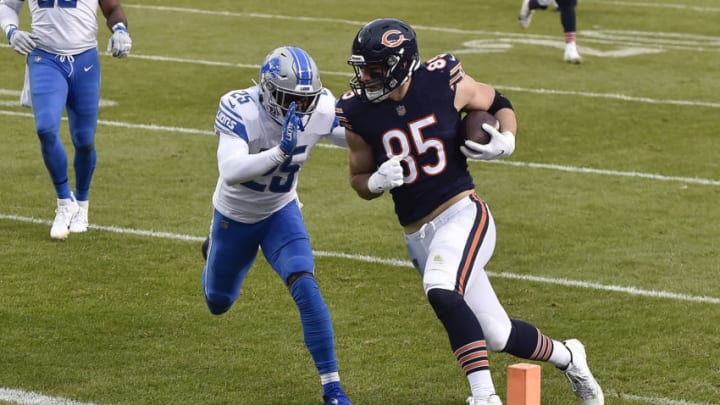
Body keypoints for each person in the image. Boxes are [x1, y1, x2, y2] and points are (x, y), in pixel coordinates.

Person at [335, 18, 603, 405]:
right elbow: (358, 177)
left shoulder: (442, 80)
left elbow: (498, 103)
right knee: (497, 334)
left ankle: (484, 396)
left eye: (374, 69)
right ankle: (570, 356)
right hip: (417, 236)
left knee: (441, 289)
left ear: (401, 64)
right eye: (361, 69)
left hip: (462, 213)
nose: (365, 78)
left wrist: (506, 140)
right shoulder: (356, 111)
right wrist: (375, 182)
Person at [201, 46, 352, 405]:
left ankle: (332, 388)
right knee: (218, 303)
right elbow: (231, 170)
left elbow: (360, 139)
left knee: (304, 282)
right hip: (235, 217)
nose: (299, 108)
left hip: (281, 211)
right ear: (268, 90)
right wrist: (279, 153)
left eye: (306, 100)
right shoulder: (242, 107)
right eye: (289, 99)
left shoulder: (322, 108)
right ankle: (211, 249)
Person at [0, 0, 132, 239]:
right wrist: (11, 31)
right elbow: (7, 5)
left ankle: (82, 203)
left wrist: (120, 29)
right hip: (45, 58)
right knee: (46, 129)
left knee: (84, 139)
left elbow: (112, 9)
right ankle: (64, 201)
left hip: (85, 60)